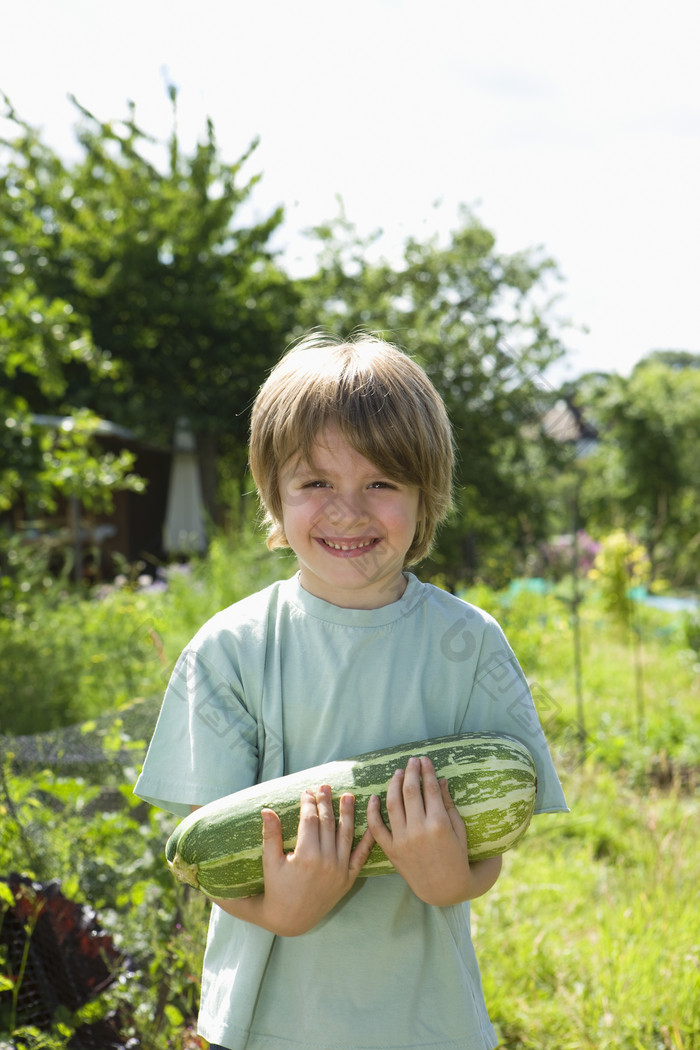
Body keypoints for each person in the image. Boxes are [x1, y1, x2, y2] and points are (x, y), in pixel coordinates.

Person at [134, 332, 568, 1050]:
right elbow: (209, 851)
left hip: (424, 1019)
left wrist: (449, 880)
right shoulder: (229, 650)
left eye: (381, 483)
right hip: (266, 1022)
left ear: (426, 493)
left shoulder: (470, 645)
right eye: (316, 483)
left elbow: (493, 842)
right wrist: (285, 910)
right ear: (273, 492)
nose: (347, 511)